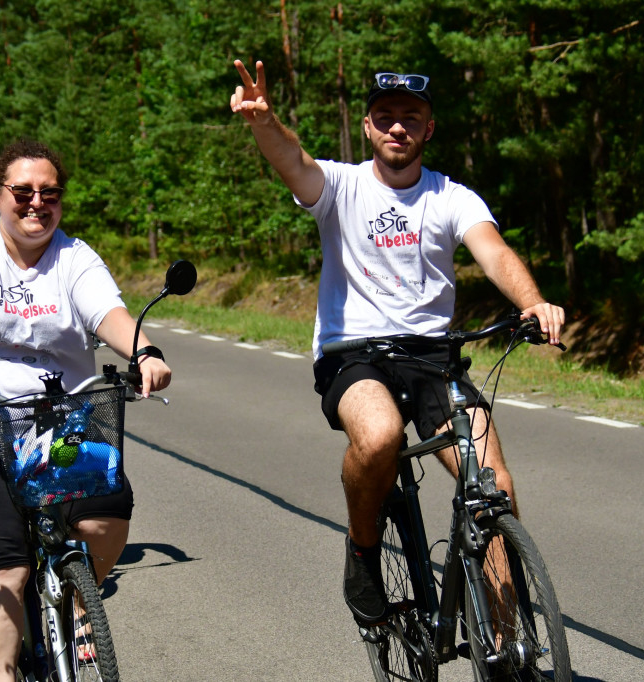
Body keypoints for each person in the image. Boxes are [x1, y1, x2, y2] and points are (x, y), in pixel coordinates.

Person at [230, 62, 565, 625]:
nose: (397, 128)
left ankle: (511, 645)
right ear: (367, 127)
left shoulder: (451, 197)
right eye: (385, 117)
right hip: (353, 353)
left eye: (411, 119)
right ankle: (363, 549)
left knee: (494, 486)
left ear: (428, 130)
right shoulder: (340, 185)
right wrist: (266, 122)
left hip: (432, 356)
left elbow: (494, 251)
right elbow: (293, 161)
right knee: (381, 434)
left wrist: (531, 301)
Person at [0, 138, 171, 682]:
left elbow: (107, 312)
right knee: (5, 560)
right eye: (22, 192)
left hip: (53, 427)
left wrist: (143, 350)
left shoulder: (73, 255)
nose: (36, 202)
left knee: (105, 513)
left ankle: (82, 605)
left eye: (50, 193)